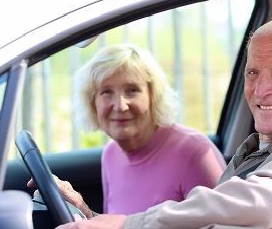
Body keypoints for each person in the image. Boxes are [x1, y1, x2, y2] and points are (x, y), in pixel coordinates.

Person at [55, 16, 272, 229]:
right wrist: (90, 216)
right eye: (253, 72)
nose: (261, 89)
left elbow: (266, 201)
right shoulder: (268, 150)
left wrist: (130, 223)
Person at [29, 44, 226, 218]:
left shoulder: (195, 152)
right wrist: (83, 210)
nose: (120, 105)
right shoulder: (111, 154)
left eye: (132, 90)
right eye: (106, 92)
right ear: (92, 103)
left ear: (152, 96)